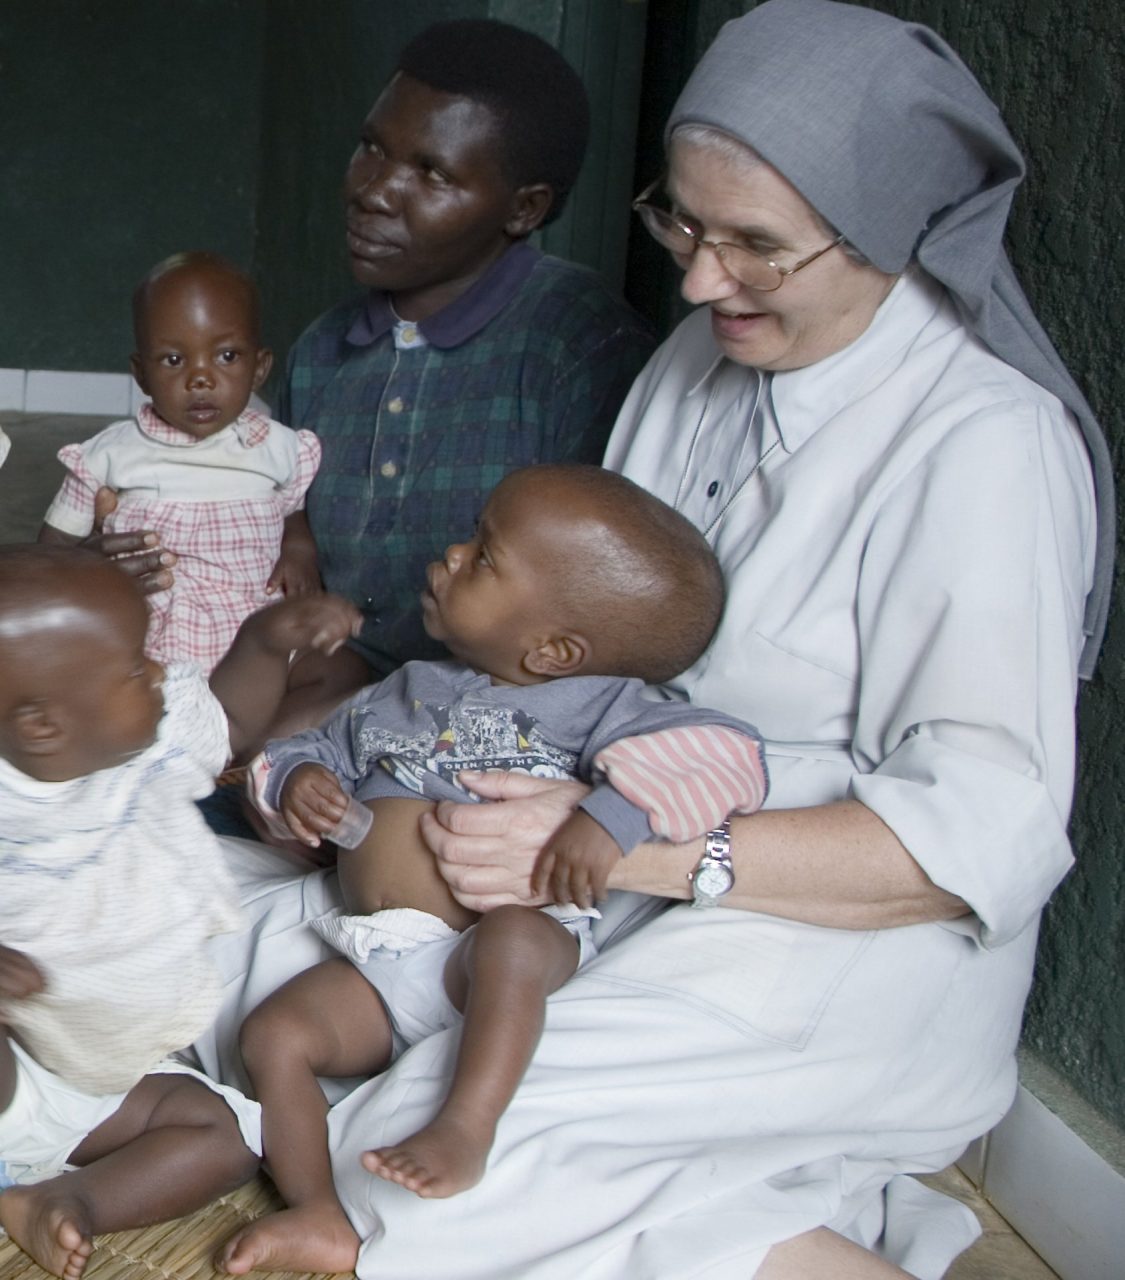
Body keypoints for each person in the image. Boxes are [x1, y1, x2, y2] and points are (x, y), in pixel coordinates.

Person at [190, 2, 1113, 1277]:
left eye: (755, 248)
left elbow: (984, 835)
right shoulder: (698, 358)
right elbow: (578, 652)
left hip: (833, 946)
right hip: (596, 875)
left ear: (891, 233)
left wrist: (641, 850)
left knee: (421, 1135)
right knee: (212, 949)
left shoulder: (983, 447)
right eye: (680, 221)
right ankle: (721, 1209)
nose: (696, 279)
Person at [213, 464, 767, 1274]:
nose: (450, 552)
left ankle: (466, 1125)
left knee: (512, 941)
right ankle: (318, 1212)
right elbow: (296, 752)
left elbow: (727, 758)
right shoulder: (404, 688)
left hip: (495, 952)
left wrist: (611, 821)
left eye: (483, 557)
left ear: (554, 650)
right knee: (275, 1035)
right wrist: (297, 785)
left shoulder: (602, 704)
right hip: (380, 958)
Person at [263, 18, 655, 739]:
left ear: (524, 208)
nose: (374, 191)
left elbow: (595, 612)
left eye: (433, 173)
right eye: (370, 149)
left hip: (497, 700)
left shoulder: (580, 346)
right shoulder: (322, 350)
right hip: (333, 666)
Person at [0, 545, 359, 1280]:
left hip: (103, 1080)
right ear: (42, 725)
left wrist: (264, 640)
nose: (159, 671)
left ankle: (62, 1199)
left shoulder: (144, 741)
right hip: (16, 1074)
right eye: (135, 666)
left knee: (227, 1135)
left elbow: (226, 719)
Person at [39, 252, 321, 674]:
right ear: (142, 374)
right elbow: (51, 550)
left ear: (260, 368)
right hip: (148, 650)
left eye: (227, 356)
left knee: (328, 671)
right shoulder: (108, 455)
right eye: (174, 360)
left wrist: (298, 549)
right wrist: (87, 570)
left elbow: (292, 510)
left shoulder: (279, 448)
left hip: (249, 645)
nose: (200, 379)